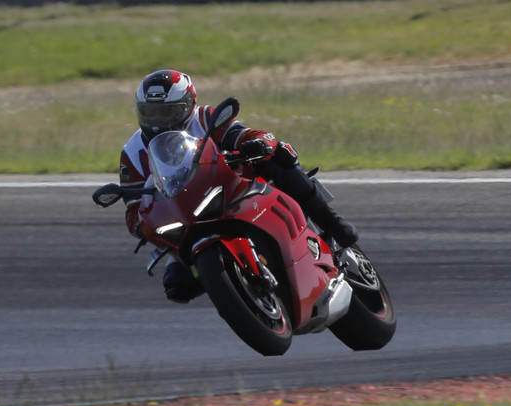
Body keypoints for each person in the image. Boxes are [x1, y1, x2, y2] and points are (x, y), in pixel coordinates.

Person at [119, 69, 360, 304]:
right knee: (177, 286)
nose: (159, 121)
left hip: (232, 188)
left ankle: (330, 221)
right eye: (150, 113)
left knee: (279, 155)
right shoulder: (132, 153)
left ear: (189, 104)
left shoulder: (207, 118)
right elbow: (134, 209)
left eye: (168, 113)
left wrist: (258, 143)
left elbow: (247, 135)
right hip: (186, 217)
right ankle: (232, 284)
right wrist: (144, 226)